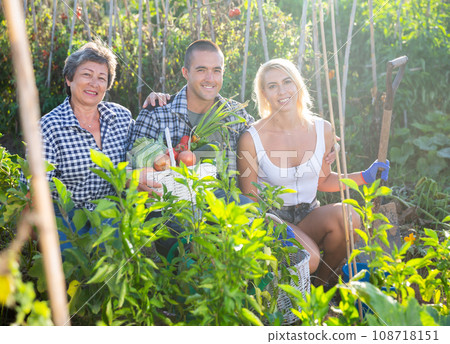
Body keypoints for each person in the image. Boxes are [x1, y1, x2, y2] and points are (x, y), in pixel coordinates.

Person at [237, 58, 390, 285]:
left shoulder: (323, 129)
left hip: (309, 213)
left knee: (349, 217)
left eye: (287, 81)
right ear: (264, 93)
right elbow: (249, 200)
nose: (282, 91)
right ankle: (290, 291)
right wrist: (274, 228)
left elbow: (324, 180)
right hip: (272, 218)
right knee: (309, 257)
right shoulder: (252, 138)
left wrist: (365, 177)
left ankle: (322, 286)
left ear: (298, 84)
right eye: (272, 86)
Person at [20, 41, 157, 250]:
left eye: (102, 78)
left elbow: (142, 147)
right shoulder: (48, 128)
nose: (94, 83)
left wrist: (161, 101)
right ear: (69, 78)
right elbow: (33, 194)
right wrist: (29, 245)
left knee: (117, 256)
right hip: (66, 220)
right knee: (75, 266)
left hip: (109, 213)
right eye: (87, 75)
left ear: (108, 85)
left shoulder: (120, 117)